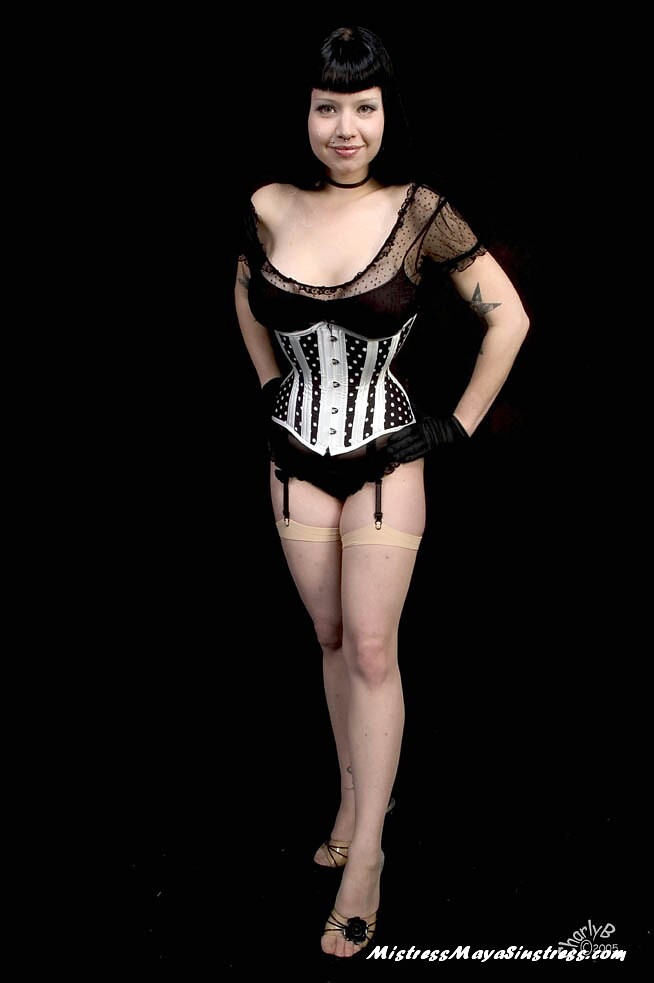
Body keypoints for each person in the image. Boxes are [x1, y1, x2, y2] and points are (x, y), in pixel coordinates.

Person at [233, 25, 530, 959]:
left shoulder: (419, 211)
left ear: (386, 112)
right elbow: (246, 291)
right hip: (293, 450)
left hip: (386, 455)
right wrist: (271, 383)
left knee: (370, 645)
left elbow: (510, 319)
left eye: (363, 107)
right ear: (305, 113)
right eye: (328, 107)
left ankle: (367, 861)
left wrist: (455, 426)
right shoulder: (268, 205)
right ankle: (355, 797)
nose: (346, 128)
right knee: (328, 635)